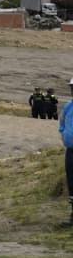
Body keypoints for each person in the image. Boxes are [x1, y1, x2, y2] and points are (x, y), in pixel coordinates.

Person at [59, 77, 73, 226]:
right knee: (72, 182)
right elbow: (61, 121)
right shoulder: (68, 106)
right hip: (70, 151)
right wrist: (62, 133)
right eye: (72, 88)